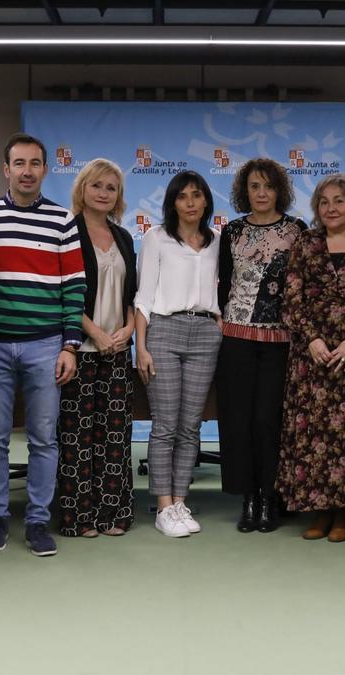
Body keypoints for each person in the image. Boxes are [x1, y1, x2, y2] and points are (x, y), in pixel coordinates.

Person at [0, 132, 85, 558]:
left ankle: (38, 520)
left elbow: (75, 286)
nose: (26, 171)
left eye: (34, 163)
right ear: (6, 170)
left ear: (45, 168)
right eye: (18, 163)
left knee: (43, 438)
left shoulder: (62, 220)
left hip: (45, 345)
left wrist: (70, 345)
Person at [276, 174, 345, 543]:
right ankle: (318, 511)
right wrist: (313, 340)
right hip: (312, 359)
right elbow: (292, 299)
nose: (331, 208)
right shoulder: (305, 242)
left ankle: (344, 514)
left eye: (339, 200)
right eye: (324, 202)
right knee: (312, 435)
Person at [216, 158, 305, 533]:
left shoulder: (297, 230)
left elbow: (302, 286)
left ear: (279, 190)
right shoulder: (232, 231)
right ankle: (248, 496)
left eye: (268, 186)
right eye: (254, 186)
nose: (262, 193)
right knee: (239, 421)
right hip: (235, 339)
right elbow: (222, 284)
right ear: (244, 191)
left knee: (269, 421)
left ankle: (271, 496)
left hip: (278, 341)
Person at [134, 170, 222, 538]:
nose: (190, 202)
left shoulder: (218, 240)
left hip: (205, 333)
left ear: (206, 201)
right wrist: (140, 346)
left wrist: (219, 319)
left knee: (190, 426)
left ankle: (181, 500)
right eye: (182, 196)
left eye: (196, 195)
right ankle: (164, 506)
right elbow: (143, 296)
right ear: (172, 202)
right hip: (164, 331)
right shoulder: (156, 238)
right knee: (165, 424)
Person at [57, 158, 137, 538]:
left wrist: (127, 329)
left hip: (118, 350)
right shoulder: (67, 232)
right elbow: (66, 292)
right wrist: (96, 333)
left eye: (112, 188)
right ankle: (79, 516)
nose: (104, 193)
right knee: (79, 434)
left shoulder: (123, 237)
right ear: (82, 190)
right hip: (80, 349)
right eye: (97, 186)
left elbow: (132, 295)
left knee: (116, 433)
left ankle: (113, 513)